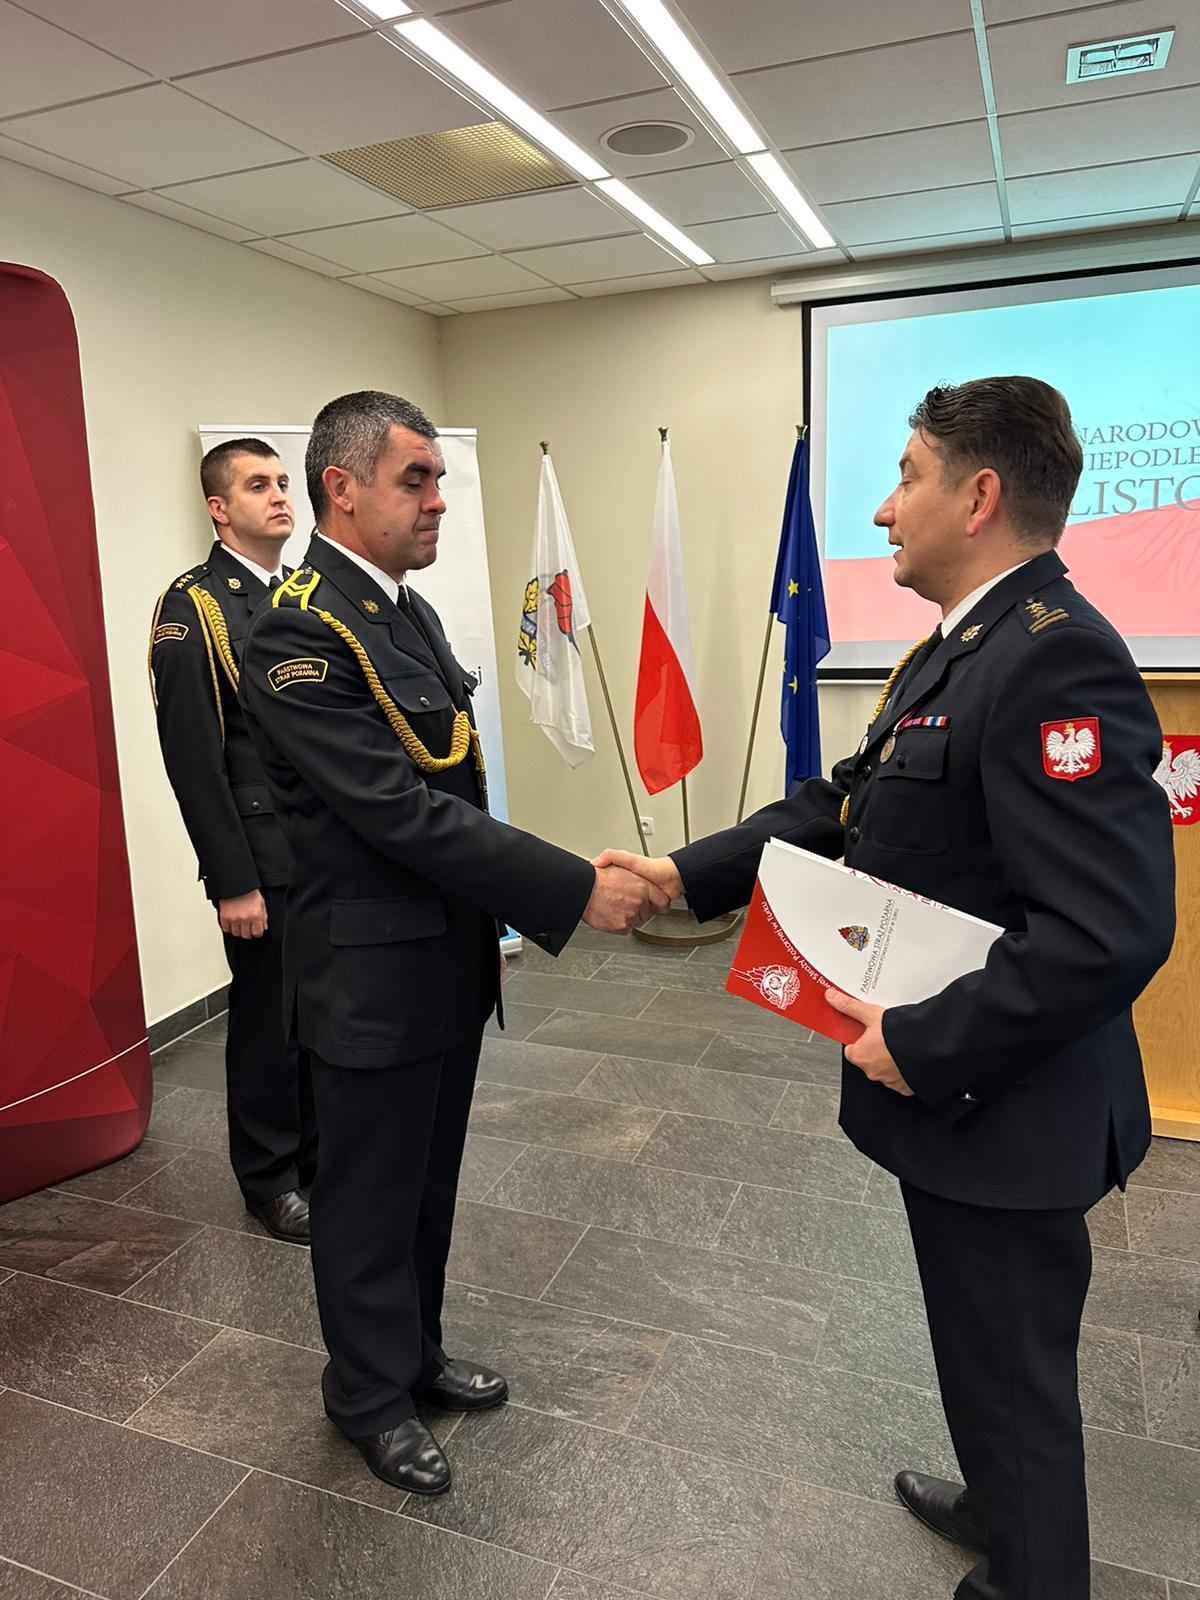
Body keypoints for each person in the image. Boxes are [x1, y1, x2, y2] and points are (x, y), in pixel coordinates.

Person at [598, 377, 1176, 1600]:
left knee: (1016, 1372)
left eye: (907, 475)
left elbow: (1110, 931)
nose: (882, 507)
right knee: (976, 1342)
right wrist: (682, 874)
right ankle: (993, 1498)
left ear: (979, 496)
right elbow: (842, 803)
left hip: (1005, 1102)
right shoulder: (960, 648)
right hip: (964, 1107)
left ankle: (1030, 1571)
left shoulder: (1055, 658)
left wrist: (925, 1041)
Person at [238, 390, 665, 1496]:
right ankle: (366, 1396)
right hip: (367, 979)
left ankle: (412, 1354)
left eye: (437, 478)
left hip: (440, 963)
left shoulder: (403, 610)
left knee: (425, 1185)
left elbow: (448, 784)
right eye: (415, 479)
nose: (438, 501)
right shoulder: (298, 631)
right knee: (367, 1199)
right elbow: (400, 811)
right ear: (341, 488)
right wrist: (571, 886)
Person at [149, 438, 317, 1244]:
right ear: (219, 508)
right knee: (268, 1025)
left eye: (283, 482)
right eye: (258, 485)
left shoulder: (305, 594)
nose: (280, 495)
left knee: (322, 1016)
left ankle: (318, 1158)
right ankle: (270, 1179)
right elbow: (193, 757)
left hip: (325, 848)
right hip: (261, 855)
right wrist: (232, 881)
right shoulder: (194, 607)